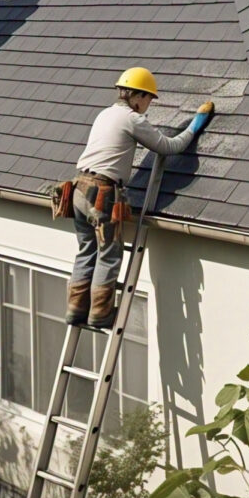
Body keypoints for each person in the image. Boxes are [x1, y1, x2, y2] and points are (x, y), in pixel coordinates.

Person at [67, 66, 214, 328]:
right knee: (109, 255)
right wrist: (195, 126)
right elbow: (168, 147)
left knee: (86, 250)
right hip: (101, 193)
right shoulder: (132, 119)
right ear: (137, 96)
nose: (148, 105)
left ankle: (76, 309)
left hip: (78, 188)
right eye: (148, 99)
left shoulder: (105, 114)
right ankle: (100, 313)